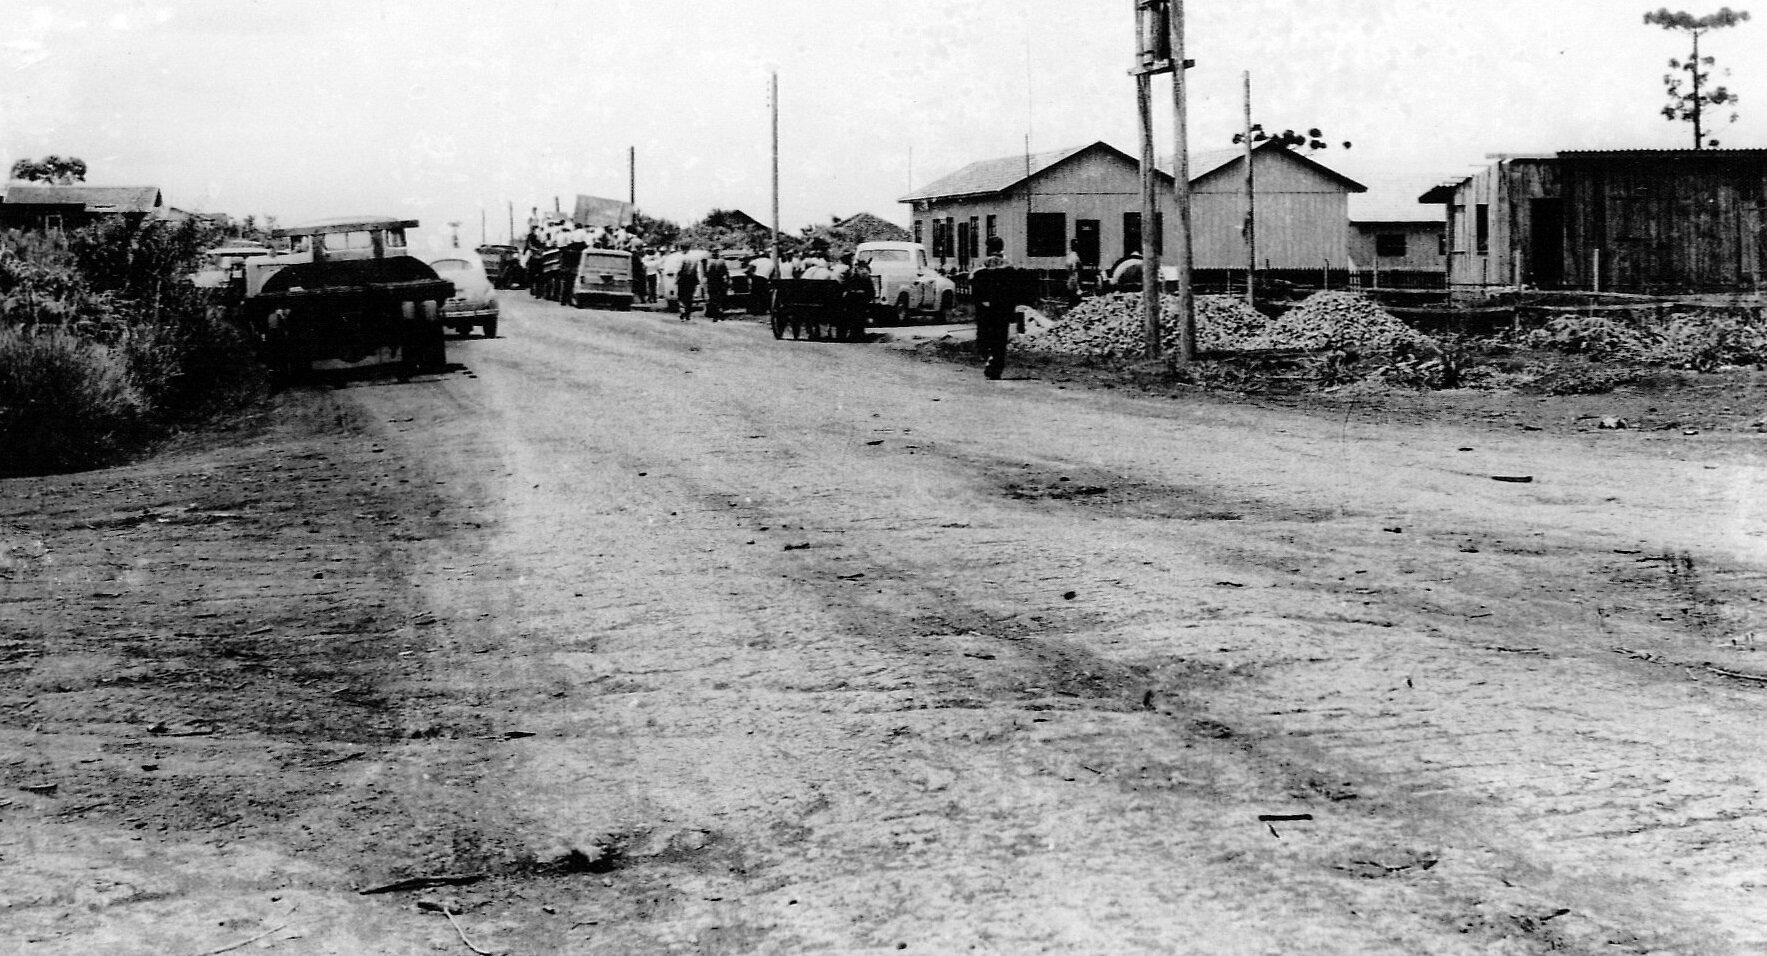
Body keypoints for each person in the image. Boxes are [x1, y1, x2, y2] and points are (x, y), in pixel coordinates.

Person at [969, 236, 1035, 380]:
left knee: (984, 336)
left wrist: (981, 300)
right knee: (1000, 338)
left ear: (988, 248)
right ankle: (996, 368)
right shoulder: (1009, 266)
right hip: (1003, 308)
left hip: (985, 309)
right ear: (1001, 248)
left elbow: (973, 283)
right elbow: (1016, 288)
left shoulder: (981, 265)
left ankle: (988, 358)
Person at [704, 247, 730, 320]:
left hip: (713, 281)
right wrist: (727, 279)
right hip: (719, 281)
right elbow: (725, 271)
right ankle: (718, 311)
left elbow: (707, 272)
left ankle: (714, 312)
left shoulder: (710, 261)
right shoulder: (721, 261)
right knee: (718, 297)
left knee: (713, 297)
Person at [676, 248, 700, 321]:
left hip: (683, 281)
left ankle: (683, 311)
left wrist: (677, 278)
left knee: (681, 297)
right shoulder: (696, 261)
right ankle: (688, 314)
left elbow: (679, 271)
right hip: (692, 281)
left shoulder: (683, 260)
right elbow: (697, 272)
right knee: (689, 298)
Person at [1064, 238, 1084, 306]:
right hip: (1074, 277)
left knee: (1071, 296)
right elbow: (1079, 268)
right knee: (1076, 295)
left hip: (1070, 278)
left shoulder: (1069, 256)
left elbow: (1067, 268)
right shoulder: (1075, 257)